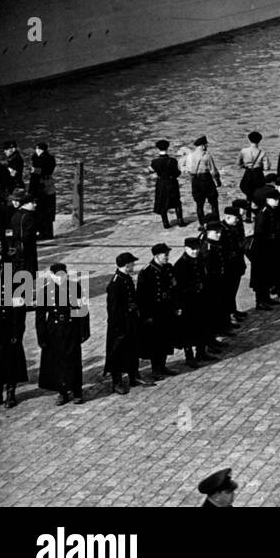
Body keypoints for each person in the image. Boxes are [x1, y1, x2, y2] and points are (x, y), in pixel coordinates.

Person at [36, 262, 89, 405]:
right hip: (54, 331)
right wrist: (41, 337)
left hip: (72, 328)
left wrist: (85, 330)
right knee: (57, 362)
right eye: (57, 276)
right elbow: (40, 317)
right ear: (51, 276)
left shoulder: (75, 287)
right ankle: (62, 392)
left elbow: (83, 308)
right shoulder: (45, 291)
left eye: (63, 275)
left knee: (73, 360)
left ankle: (77, 391)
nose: (60, 279)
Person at [104, 251, 152, 394]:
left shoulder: (126, 278)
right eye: (132, 263)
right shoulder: (115, 283)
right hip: (119, 325)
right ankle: (117, 382)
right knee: (117, 353)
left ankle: (134, 376)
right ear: (126, 265)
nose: (134, 265)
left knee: (132, 349)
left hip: (130, 321)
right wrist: (118, 327)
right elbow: (113, 309)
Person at [0, 255, 28, 408]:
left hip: (7, 328)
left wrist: (17, 333)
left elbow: (19, 311)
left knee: (10, 361)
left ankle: (11, 393)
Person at [137, 243, 179, 380]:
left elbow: (173, 288)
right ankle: (156, 369)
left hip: (167, 309)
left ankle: (163, 365)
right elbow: (141, 297)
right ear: (156, 256)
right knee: (156, 341)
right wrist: (146, 316)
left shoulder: (168, 268)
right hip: (154, 312)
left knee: (166, 339)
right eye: (164, 255)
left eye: (168, 254)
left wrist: (175, 306)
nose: (167, 257)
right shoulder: (146, 272)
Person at [175, 238, 215, 367]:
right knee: (188, 330)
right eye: (192, 249)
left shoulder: (198, 260)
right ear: (186, 249)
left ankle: (201, 352)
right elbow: (179, 287)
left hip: (201, 299)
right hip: (188, 302)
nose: (195, 251)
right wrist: (193, 288)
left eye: (197, 249)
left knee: (203, 326)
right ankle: (189, 356)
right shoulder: (180, 265)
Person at [185, 136, 222, 225]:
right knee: (213, 202)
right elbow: (213, 171)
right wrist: (218, 181)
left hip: (195, 180)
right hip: (206, 180)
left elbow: (188, 170)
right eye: (206, 145)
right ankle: (216, 222)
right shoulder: (207, 156)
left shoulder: (190, 156)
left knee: (199, 204)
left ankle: (201, 224)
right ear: (202, 146)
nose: (206, 147)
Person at [151, 140, 186, 229]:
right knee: (177, 202)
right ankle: (180, 221)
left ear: (158, 148)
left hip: (161, 183)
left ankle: (165, 223)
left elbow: (150, 170)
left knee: (163, 203)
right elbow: (178, 173)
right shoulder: (172, 160)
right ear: (167, 148)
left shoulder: (154, 162)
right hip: (171, 183)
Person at [236, 132, 269, 217]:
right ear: (259, 140)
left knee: (248, 194)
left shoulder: (244, 151)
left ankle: (248, 215)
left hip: (248, 173)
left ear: (249, 139)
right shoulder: (262, 152)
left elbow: (238, 164)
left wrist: (246, 166)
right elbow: (266, 167)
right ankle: (258, 214)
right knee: (258, 194)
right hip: (258, 174)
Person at [29, 141, 57, 240]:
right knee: (48, 210)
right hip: (48, 185)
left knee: (41, 210)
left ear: (39, 149)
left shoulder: (39, 160)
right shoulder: (50, 158)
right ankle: (48, 232)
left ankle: (43, 233)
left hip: (41, 187)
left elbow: (38, 174)